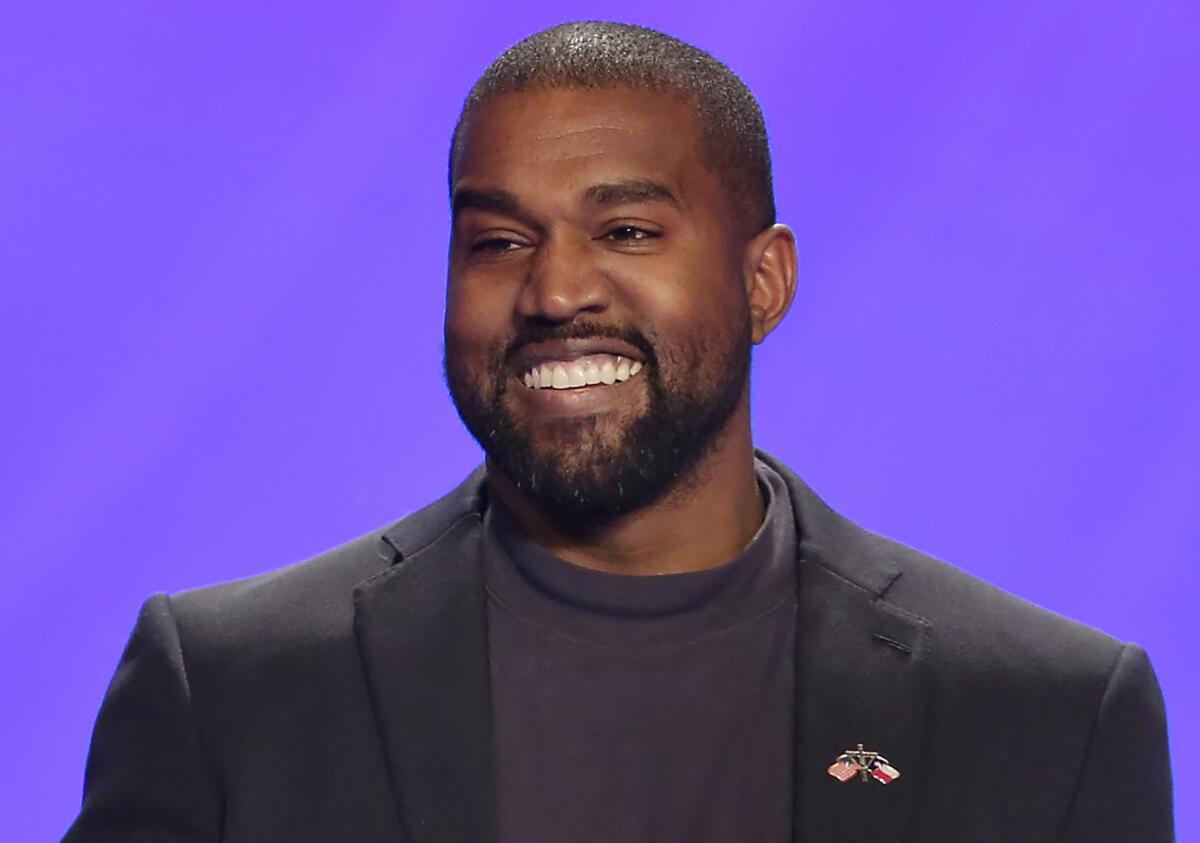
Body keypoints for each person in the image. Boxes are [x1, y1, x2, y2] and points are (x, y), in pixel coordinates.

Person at [65, 21, 1173, 843]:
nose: (554, 292)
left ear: (764, 282)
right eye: (498, 242)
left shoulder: (1050, 715)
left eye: (627, 229)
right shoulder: (229, 692)